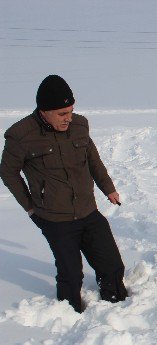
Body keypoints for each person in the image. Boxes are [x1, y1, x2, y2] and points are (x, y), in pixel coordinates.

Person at [0, 75, 128, 312]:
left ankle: (117, 305)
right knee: (71, 274)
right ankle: (69, 316)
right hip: (55, 218)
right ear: (44, 111)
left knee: (111, 264)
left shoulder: (80, 126)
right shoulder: (20, 135)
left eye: (70, 111)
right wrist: (31, 207)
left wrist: (108, 188)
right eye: (62, 114)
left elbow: (93, 159)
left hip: (88, 210)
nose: (68, 118)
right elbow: (8, 173)